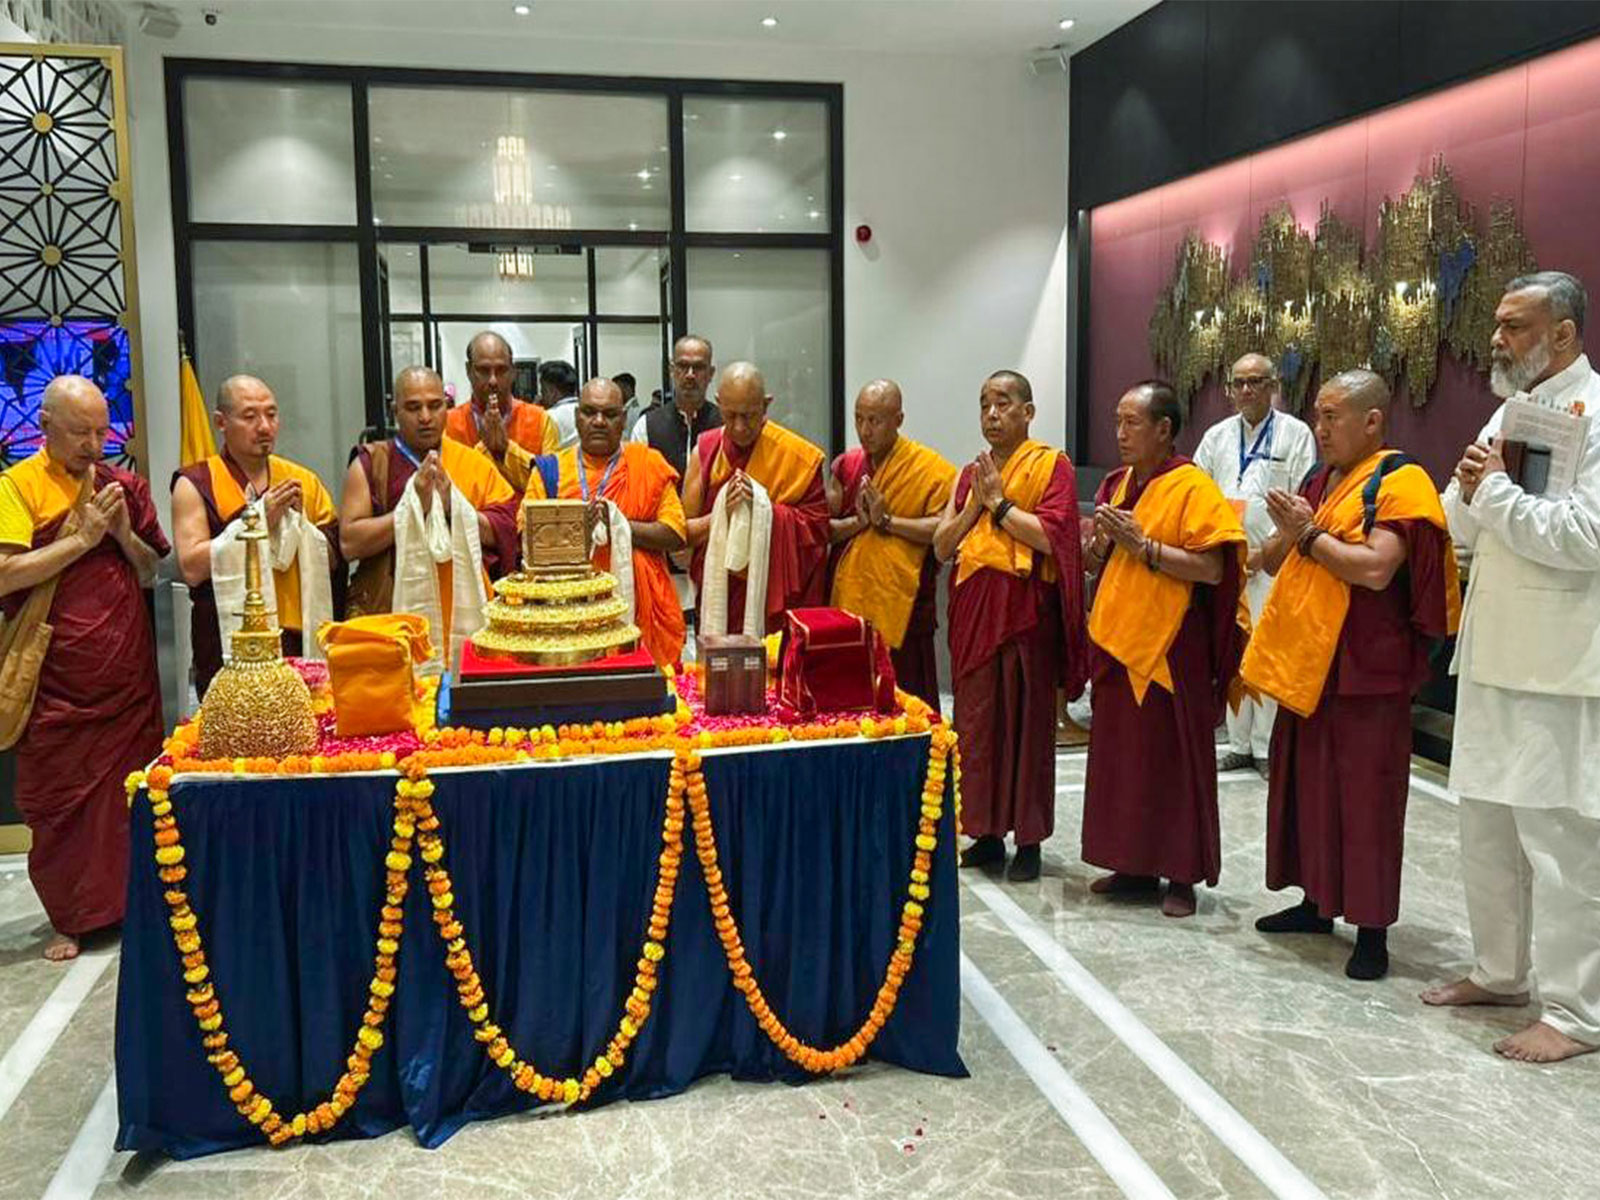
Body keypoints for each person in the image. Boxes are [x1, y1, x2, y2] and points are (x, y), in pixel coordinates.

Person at [1423, 270, 1600, 1062]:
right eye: (1497, 324)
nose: (1496, 339)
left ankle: (1575, 1014)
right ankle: (1500, 971)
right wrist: (1467, 494)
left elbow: (1586, 539)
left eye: (1514, 326)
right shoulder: (1509, 410)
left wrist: (1490, 495)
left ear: (1562, 334)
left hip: (1560, 666)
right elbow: (1463, 524)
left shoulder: (1595, 416)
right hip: (1492, 651)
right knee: (1484, 825)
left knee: (1560, 845)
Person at [1241, 369, 1458, 980]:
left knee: (1366, 800)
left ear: (1373, 420)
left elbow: (1374, 570)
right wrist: (1284, 533)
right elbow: (1282, 557)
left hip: (1368, 668)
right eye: (1318, 414)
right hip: (1309, 656)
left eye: (1334, 415)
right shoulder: (1320, 477)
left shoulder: (1401, 480)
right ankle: (1313, 902)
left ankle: (1371, 931)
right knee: (1305, 786)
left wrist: (1307, 533)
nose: (1321, 427)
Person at [0, 376, 168, 960]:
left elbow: (149, 571)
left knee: (129, 794)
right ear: (44, 427)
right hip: (55, 675)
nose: (94, 445)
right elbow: (6, 574)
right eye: (80, 433)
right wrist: (81, 540)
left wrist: (121, 535)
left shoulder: (124, 487)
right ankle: (70, 917)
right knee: (60, 799)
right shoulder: (17, 488)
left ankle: (131, 905)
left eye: (102, 431)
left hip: (124, 672)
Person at [1080, 380, 1247, 916]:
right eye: (1117, 421)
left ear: (1164, 429)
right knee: (1123, 760)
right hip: (1119, 638)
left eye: (1132, 422)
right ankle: (1130, 864)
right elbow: (1092, 563)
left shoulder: (1192, 488)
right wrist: (1102, 544)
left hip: (1173, 644)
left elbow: (1211, 566)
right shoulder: (1115, 483)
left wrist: (1145, 547)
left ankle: (1180, 876)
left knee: (1172, 761)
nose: (1121, 433)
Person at [933, 370, 1086, 883]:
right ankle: (987, 833)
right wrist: (978, 502)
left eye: (1003, 403)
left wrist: (998, 505)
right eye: (984, 405)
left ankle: (1030, 841)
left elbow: (1051, 537)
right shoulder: (969, 475)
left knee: (1026, 727)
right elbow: (941, 545)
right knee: (978, 726)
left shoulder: (1052, 467)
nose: (992, 414)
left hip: (1024, 616)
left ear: (1028, 412)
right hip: (976, 612)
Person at [339, 366, 519, 674]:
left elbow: (506, 528)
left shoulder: (473, 463)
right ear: (395, 411)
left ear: (447, 408)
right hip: (392, 613)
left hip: (465, 615)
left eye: (435, 406)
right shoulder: (372, 462)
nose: (425, 417)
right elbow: (349, 542)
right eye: (413, 407)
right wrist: (410, 511)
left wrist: (453, 506)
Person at [171, 374, 340, 698]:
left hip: (297, 639)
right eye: (250, 416)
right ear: (221, 422)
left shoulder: (301, 479)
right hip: (228, 644)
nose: (264, 426)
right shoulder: (196, 483)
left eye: (271, 414)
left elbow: (335, 556)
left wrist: (301, 527)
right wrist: (259, 520)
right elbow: (192, 566)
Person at [1193, 353, 1316, 778]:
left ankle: (1266, 748)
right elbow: (1197, 496)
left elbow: (1306, 502)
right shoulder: (1215, 437)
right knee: (1232, 649)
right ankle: (1238, 741)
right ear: (1229, 388)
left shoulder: (1297, 434)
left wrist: (1266, 552)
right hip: (1228, 564)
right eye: (1239, 382)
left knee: (1267, 650)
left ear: (1273, 386)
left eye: (1256, 382)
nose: (1247, 390)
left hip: (1273, 562)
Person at [523, 378, 688, 668]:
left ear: (623, 420)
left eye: (610, 414)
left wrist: (617, 525)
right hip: (569, 614)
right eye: (589, 412)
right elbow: (527, 537)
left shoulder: (648, 464)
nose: (599, 421)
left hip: (643, 614)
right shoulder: (550, 471)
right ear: (577, 417)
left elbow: (675, 532)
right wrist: (572, 530)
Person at [827, 379, 956, 709]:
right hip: (852, 602)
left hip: (905, 606)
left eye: (875, 420)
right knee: (854, 700)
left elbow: (942, 528)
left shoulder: (929, 469)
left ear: (898, 420)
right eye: (859, 419)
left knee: (909, 700)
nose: (865, 430)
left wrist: (888, 521)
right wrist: (861, 521)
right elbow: (824, 529)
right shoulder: (846, 466)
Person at [682, 362, 828, 636]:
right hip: (720, 594)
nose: (739, 427)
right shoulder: (705, 450)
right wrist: (721, 515)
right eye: (730, 415)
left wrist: (765, 512)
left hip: (774, 596)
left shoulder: (796, 457)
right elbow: (684, 533)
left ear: (766, 404)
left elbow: (818, 530)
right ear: (718, 403)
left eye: (749, 416)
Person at [444, 331, 559, 491]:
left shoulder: (540, 420)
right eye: (483, 370)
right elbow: (446, 487)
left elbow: (550, 486)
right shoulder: (448, 423)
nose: (493, 380)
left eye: (501, 370)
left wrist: (506, 450)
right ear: (469, 371)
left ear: (513, 372)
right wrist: (484, 448)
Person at [630, 335, 723, 480]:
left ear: (710, 374)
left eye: (698, 367)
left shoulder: (724, 426)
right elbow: (638, 483)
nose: (690, 375)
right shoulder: (646, 427)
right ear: (672, 370)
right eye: (683, 366)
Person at [538, 359, 582, 451]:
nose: (541, 396)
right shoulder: (587, 413)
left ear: (552, 392)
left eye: (543, 391)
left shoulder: (549, 417)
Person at [612, 371, 642, 435]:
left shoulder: (636, 412)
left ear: (627, 388)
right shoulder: (623, 410)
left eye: (617, 388)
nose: (615, 393)